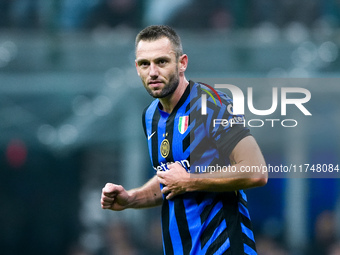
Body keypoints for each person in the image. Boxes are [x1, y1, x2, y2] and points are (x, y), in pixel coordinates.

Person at [101, 25, 268, 254]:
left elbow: (256, 171)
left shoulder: (211, 104)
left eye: (161, 62)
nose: (152, 72)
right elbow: (170, 180)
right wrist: (132, 198)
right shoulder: (150, 116)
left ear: (182, 63)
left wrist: (190, 180)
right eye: (144, 64)